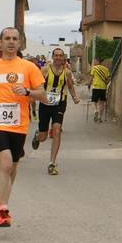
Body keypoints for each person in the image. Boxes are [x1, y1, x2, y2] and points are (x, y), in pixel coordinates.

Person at [0, 29, 44, 227]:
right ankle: (3, 209)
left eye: (15, 39)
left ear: (19, 43)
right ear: (0, 43)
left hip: (19, 124)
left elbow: (43, 94)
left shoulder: (29, 67)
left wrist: (28, 91)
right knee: (4, 163)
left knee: (12, 166)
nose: (11, 42)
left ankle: (0, 194)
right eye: (7, 39)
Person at [32, 47, 80, 176]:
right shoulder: (45, 70)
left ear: (64, 58)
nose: (58, 58)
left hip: (59, 103)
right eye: (56, 55)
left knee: (56, 130)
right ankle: (38, 136)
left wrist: (75, 97)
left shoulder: (67, 72)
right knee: (43, 137)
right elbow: (37, 85)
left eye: (61, 55)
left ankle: (52, 163)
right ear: (52, 57)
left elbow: (69, 85)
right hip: (45, 103)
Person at [89, 58, 112, 122]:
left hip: (96, 87)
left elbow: (91, 78)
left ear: (98, 62)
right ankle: (99, 117)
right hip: (103, 88)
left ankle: (95, 111)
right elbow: (109, 79)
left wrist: (89, 84)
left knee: (94, 102)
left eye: (94, 61)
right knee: (102, 103)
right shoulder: (106, 69)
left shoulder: (94, 68)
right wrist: (106, 84)